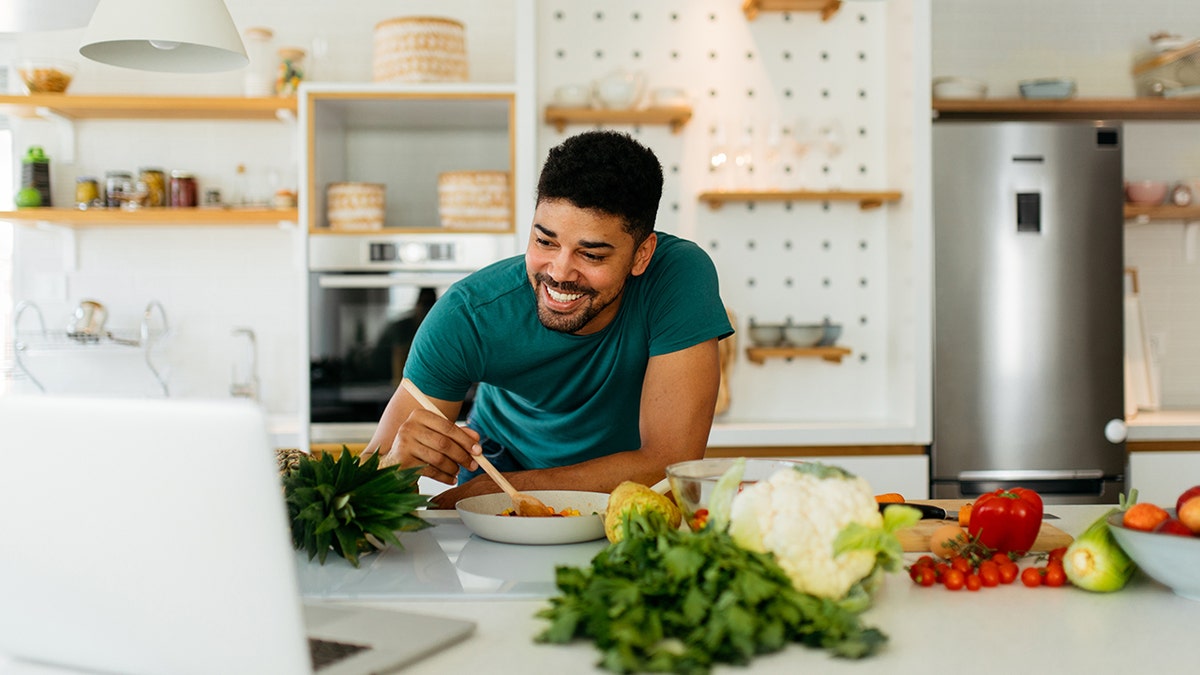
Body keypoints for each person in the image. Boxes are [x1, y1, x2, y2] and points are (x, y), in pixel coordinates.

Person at [362, 130, 733, 508]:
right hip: (498, 481)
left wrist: (495, 490)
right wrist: (395, 466)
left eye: (591, 255)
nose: (559, 272)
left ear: (641, 255)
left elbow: (668, 464)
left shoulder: (678, 275)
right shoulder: (467, 315)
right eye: (545, 242)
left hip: (608, 496)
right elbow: (365, 490)